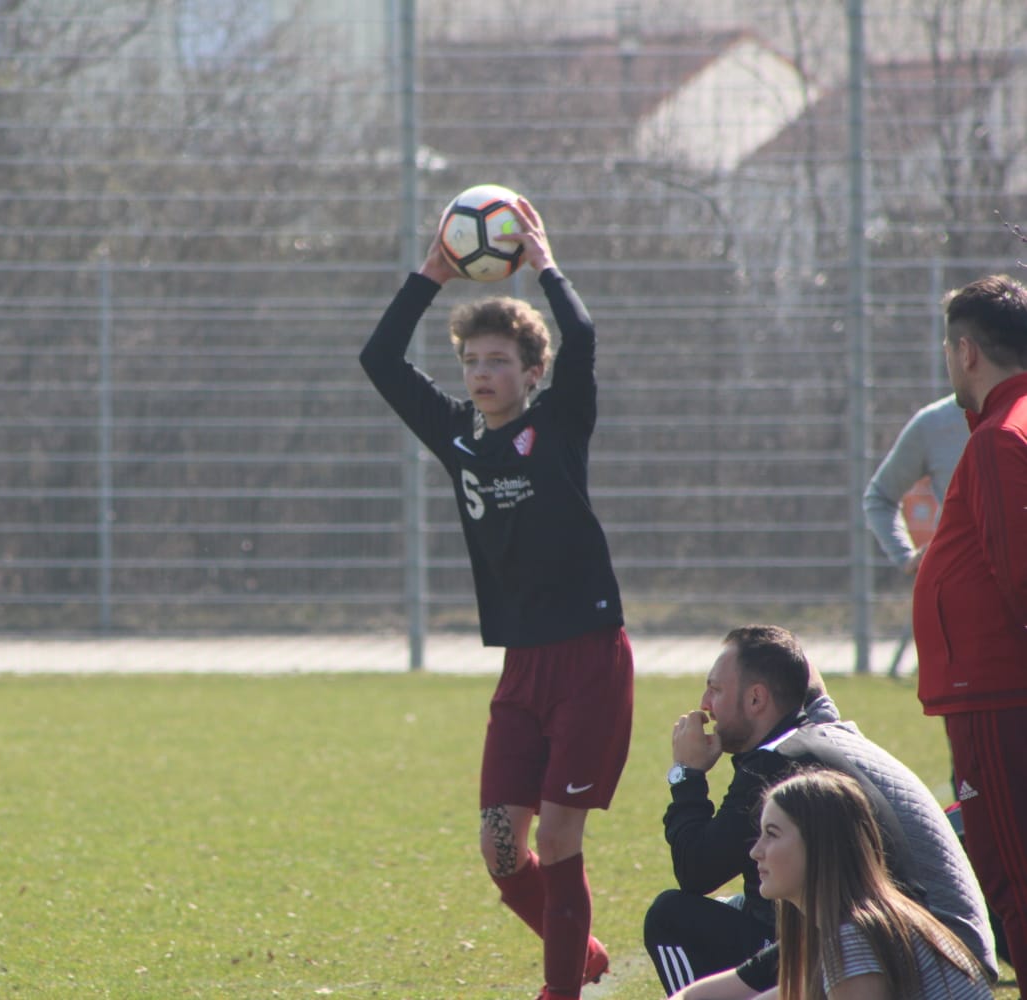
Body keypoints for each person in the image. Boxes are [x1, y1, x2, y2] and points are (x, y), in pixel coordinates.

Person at [359, 195, 633, 1000]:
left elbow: (582, 336)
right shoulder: (457, 438)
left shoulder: (560, 422)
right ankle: (580, 954)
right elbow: (379, 359)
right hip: (522, 665)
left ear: (532, 373)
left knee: (561, 834)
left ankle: (561, 990)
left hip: (588, 658)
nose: (483, 373)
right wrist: (430, 273)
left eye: (500, 361)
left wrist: (545, 266)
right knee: (500, 848)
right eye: (473, 361)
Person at [645, 624, 996, 996]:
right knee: (746, 909)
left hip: (914, 948)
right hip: (930, 938)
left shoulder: (784, 765)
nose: (704, 704)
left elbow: (697, 869)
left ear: (756, 698)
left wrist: (686, 774)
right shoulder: (809, 741)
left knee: (673, 918)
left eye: (715, 689)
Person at [913, 272, 1027, 982]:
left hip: (998, 696)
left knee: (1013, 880)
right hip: (998, 693)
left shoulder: (997, 439)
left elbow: (1019, 576)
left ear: (966, 352)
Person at [746, 769, 993, 1000]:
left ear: (820, 846)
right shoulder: (857, 924)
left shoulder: (852, 937)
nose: (756, 851)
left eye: (772, 834)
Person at [862, 393, 966, 575]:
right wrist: (905, 557)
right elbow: (881, 496)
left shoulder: (1017, 413)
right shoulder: (934, 424)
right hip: (961, 579)